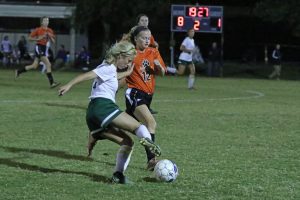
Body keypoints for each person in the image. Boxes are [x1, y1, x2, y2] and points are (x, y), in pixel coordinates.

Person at [58, 40, 161, 184]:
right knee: (140, 127)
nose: (127, 64)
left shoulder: (110, 70)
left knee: (127, 143)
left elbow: (112, 77)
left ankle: (118, 176)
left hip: (92, 114)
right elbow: (87, 75)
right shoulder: (107, 67)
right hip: (103, 107)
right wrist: (69, 85)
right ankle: (149, 143)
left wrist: (127, 72)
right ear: (120, 56)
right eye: (128, 61)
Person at [125, 26, 166, 171]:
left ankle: (98, 130)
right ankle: (151, 160)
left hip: (148, 96)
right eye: (143, 37)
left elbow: (162, 72)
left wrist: (158, 69)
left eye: (149, 38)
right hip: (134, 94)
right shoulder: (130, 53)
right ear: (136, 39)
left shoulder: (153, 51)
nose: (147, 40)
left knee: (127, 127)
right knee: (151, 123)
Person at [15, 16, 60, 88]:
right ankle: (52, 83)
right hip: (39, 47)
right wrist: (38, 38)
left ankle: (18, 71)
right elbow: (29, 38)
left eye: (48, 21)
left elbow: (54, 42)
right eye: (45, 21)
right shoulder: (38, 30)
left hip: (44, 48)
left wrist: (50, 36)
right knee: (48, 64)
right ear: (42, 22)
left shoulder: (50, 30)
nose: (47, 22)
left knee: (34, 66)